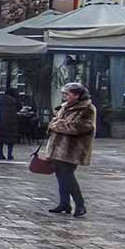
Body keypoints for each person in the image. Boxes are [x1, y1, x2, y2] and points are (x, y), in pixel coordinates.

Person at [42, 83, 95, 218]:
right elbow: (55, 121)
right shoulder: (65, 106)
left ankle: (80, 204)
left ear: (77, 95)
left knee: (67, 176)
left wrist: (57, 125)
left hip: (72, 148)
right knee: (60, 175)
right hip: (58, 147)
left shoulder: (87, 109)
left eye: (67, 94)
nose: (64, 96)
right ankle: (64, 203)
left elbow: (81, 127)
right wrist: (54, 124)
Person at [0, 88, 21, 160]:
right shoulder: (15, 100)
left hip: (0, 121)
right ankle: (9, 154)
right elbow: (19, 108)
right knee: (10, 140)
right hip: (11, 122)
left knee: (0, 139)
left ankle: (0, 154)